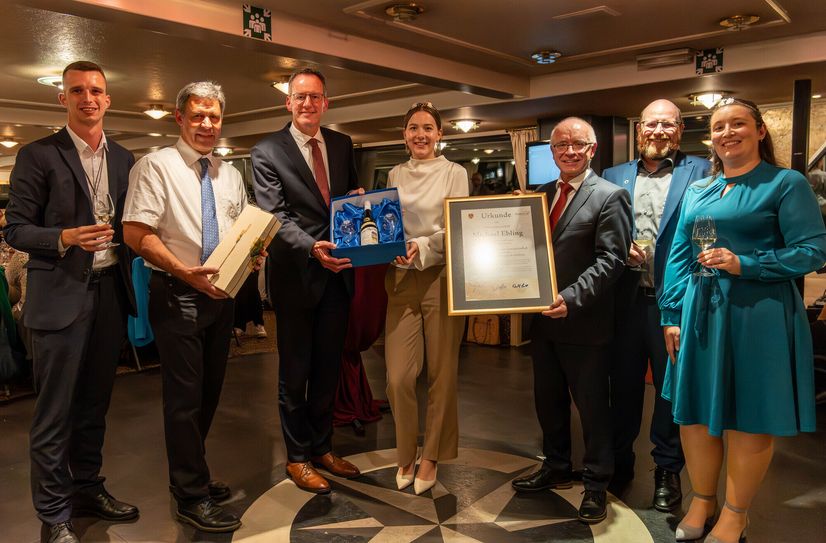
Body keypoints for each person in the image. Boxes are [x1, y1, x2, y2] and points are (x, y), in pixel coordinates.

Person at [659, 97, 826, 543]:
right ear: (710, 137)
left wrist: (745, 264)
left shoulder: (786, 184)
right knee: (693, 414)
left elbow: (813, 250)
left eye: (738, 124)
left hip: (760, 316)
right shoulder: (699, 190)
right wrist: (670, 313)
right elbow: (679, 256)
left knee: (749, 417)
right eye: (718, 127)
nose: (727, 132)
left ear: (760, 132)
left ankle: (736, 513)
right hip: (700, 313)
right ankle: (702, 500)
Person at [3, 61, 138, 543]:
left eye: (96, 90)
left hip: (108, 295)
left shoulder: (124, 159)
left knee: (94, 405)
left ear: (108, 99)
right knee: (54, 411)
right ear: (62, 98)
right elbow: (15, 228)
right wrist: (63, 236)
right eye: (77, 90)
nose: (88, 98)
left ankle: (87, 488)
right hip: (59, 295)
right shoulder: (38, 155)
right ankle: (54, 511)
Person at [123, 81, 247, 533]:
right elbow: (136, 233)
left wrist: (254, 251)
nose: (207, 125)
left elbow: (237, 230)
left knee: (210, 393)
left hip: (222, 296)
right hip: (177, 294)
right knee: (183, 399)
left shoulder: (229, 174)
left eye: (214, 116)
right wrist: (183, 271)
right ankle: (189, 494)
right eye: (198, 116)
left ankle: (193, 472)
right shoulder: (155, 166)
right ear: (180, 117)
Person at [511, 117, 631, 524]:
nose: (569, 151)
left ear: (592, 149)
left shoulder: (611, 196)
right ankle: (557, 465)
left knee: (593, 409)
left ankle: (597, 482)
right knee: (548, 402)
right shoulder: (540, 195)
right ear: (552, 151)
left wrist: (572, 298)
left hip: (584, 322)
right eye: (561, 145)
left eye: (577, 144)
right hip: (543, 323)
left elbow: (612, 259)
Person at [252, 68, 361, 494]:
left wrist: (357, 200)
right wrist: (313, 246)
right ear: (288, 102)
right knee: (294, 372)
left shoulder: (341, 143)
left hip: (338, 278)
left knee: (327, 369)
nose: (308, 104)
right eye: (300, 97)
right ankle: (296, 458)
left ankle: (322, 448)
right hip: (297, 275)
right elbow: (275, 216)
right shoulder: (266, 151)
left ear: (326, 102)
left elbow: (348, 195)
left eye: (315, 97)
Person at [602, 99, 710, 510]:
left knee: (670, 391)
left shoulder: (701, 172)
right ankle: (620, 461)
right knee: (623, 385)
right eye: (651, 124)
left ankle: (667, 469)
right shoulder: (613, 175)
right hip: (624, 299)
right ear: (638, 129)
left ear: (680, 131)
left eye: (668, 124)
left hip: (675, 303)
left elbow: (707, 232)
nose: (658, 131)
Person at [384, 102, 468, 494]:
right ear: (404, 135)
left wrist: (421, 245)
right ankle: (405, 450)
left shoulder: (455, 173)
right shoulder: (395, 173)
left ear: (440, 135)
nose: (420, 135)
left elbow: (458, 227)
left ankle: (431, 455)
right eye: (413, 128)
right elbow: (387, 224)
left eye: (428, 128)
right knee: (399, 376)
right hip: (400, 279)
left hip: (441, 277)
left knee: (442, 373)